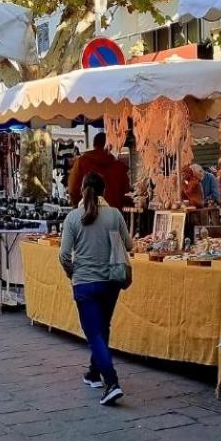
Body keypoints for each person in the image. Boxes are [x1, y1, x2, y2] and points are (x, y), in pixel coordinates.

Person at [59, 170, 131, 406]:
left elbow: (64, 255)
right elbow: (129, 244)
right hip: (110, 282)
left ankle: (111, 381)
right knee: (102, 327)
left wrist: (73, 272)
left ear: (82, 190)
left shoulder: (73, 218)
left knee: (94, 333)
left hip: (85, 283)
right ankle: (93, 372)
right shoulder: (114, 215)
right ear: (104, 191)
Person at [68, 132, 131, 209]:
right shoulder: (119, 167)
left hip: (86, 213)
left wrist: (78, 206)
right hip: (112, 214)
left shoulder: (81, 162)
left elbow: (72, 189)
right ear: (109, 146)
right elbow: (126, 192)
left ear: (94, 144)